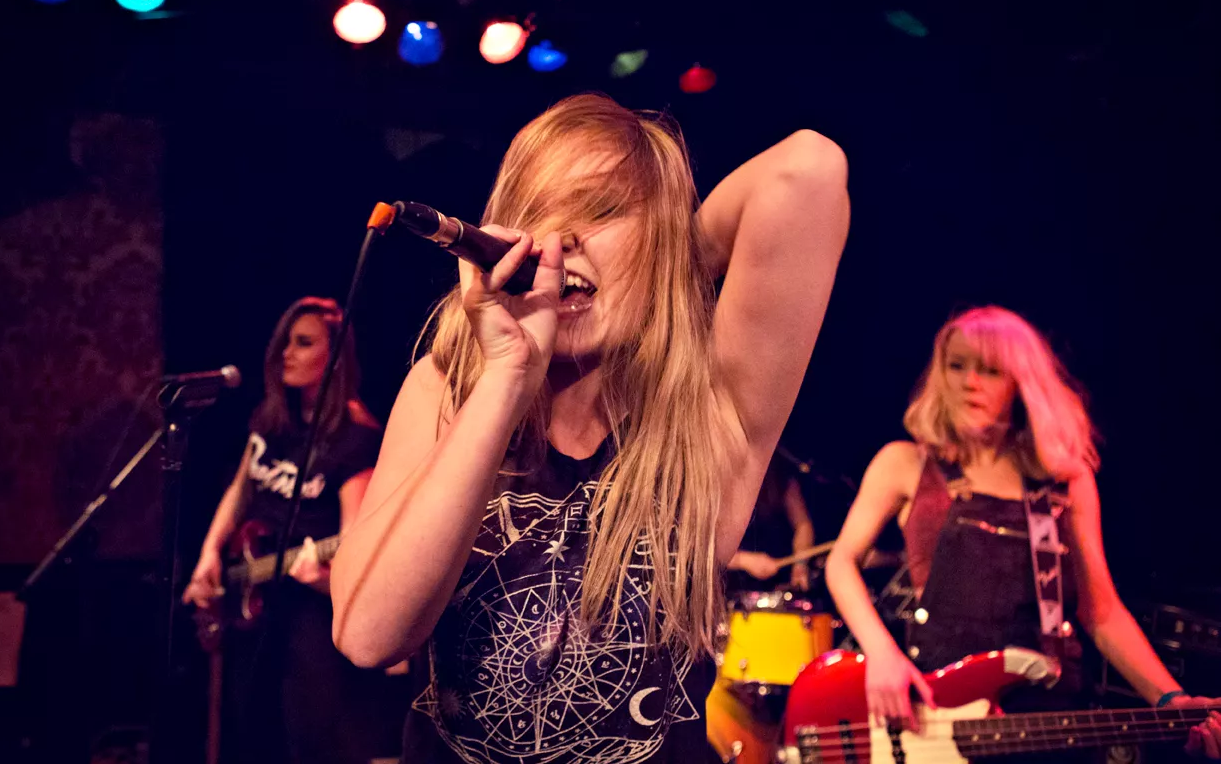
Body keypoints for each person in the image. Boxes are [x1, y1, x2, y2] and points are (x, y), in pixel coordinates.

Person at [330, 93, 850, 763]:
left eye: (602, 209)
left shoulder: (705, 417)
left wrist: (666, 266)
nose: (565, 238)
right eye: (542, 215)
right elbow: (368, 636)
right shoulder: (449, 386)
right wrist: (507, 379)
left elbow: (809, 169)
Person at [825, 306, 1220, 757]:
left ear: (1021, 382)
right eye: (957, 366)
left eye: (991, 370)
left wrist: (1170, 698)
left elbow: (1101, 611)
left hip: (1041, 714)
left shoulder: (1063, 479)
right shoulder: (905, 462)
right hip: (937, 713)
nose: (970, 382)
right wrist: (881, 654)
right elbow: (841, 562)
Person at [182, 297, 385, 764]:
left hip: (309, 612)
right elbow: (240, 489)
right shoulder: (270, 420)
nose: (287, 354)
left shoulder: (356, 437)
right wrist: (209, 552)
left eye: (304, 342)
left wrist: (324, 579)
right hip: (251, 599)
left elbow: (358, 542)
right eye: (285, 343)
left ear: (335, 356)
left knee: (308, 736)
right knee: (249, 730)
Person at [726, 451, 816, 592]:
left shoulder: (779, 474)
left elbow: (803, 525)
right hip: (732, 585)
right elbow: (703, 548)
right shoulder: (722, 480)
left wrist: (800, 562)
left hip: (778, 578)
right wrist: (744, 560)